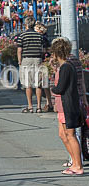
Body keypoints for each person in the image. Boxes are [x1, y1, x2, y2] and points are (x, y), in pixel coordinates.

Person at [50, 37, 84, 175]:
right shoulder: (65, 67)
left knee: (70, 135)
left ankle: (77, 165)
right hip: (64, 105)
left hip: (67, 105)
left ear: (57, 53)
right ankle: (75, 163)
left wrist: (52, 87)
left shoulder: (66, 67)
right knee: (63, 135)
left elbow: (60, 88)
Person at [16, 16, 47, 113]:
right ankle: (38, 107)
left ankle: (30, 106)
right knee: (38, 84)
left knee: (27, 84)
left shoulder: (22, 36)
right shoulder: (39, 36)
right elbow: (43, 50)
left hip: (26, 60)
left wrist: (19, 61)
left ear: (25, 24)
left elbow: (19, 50)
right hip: (37, 59)